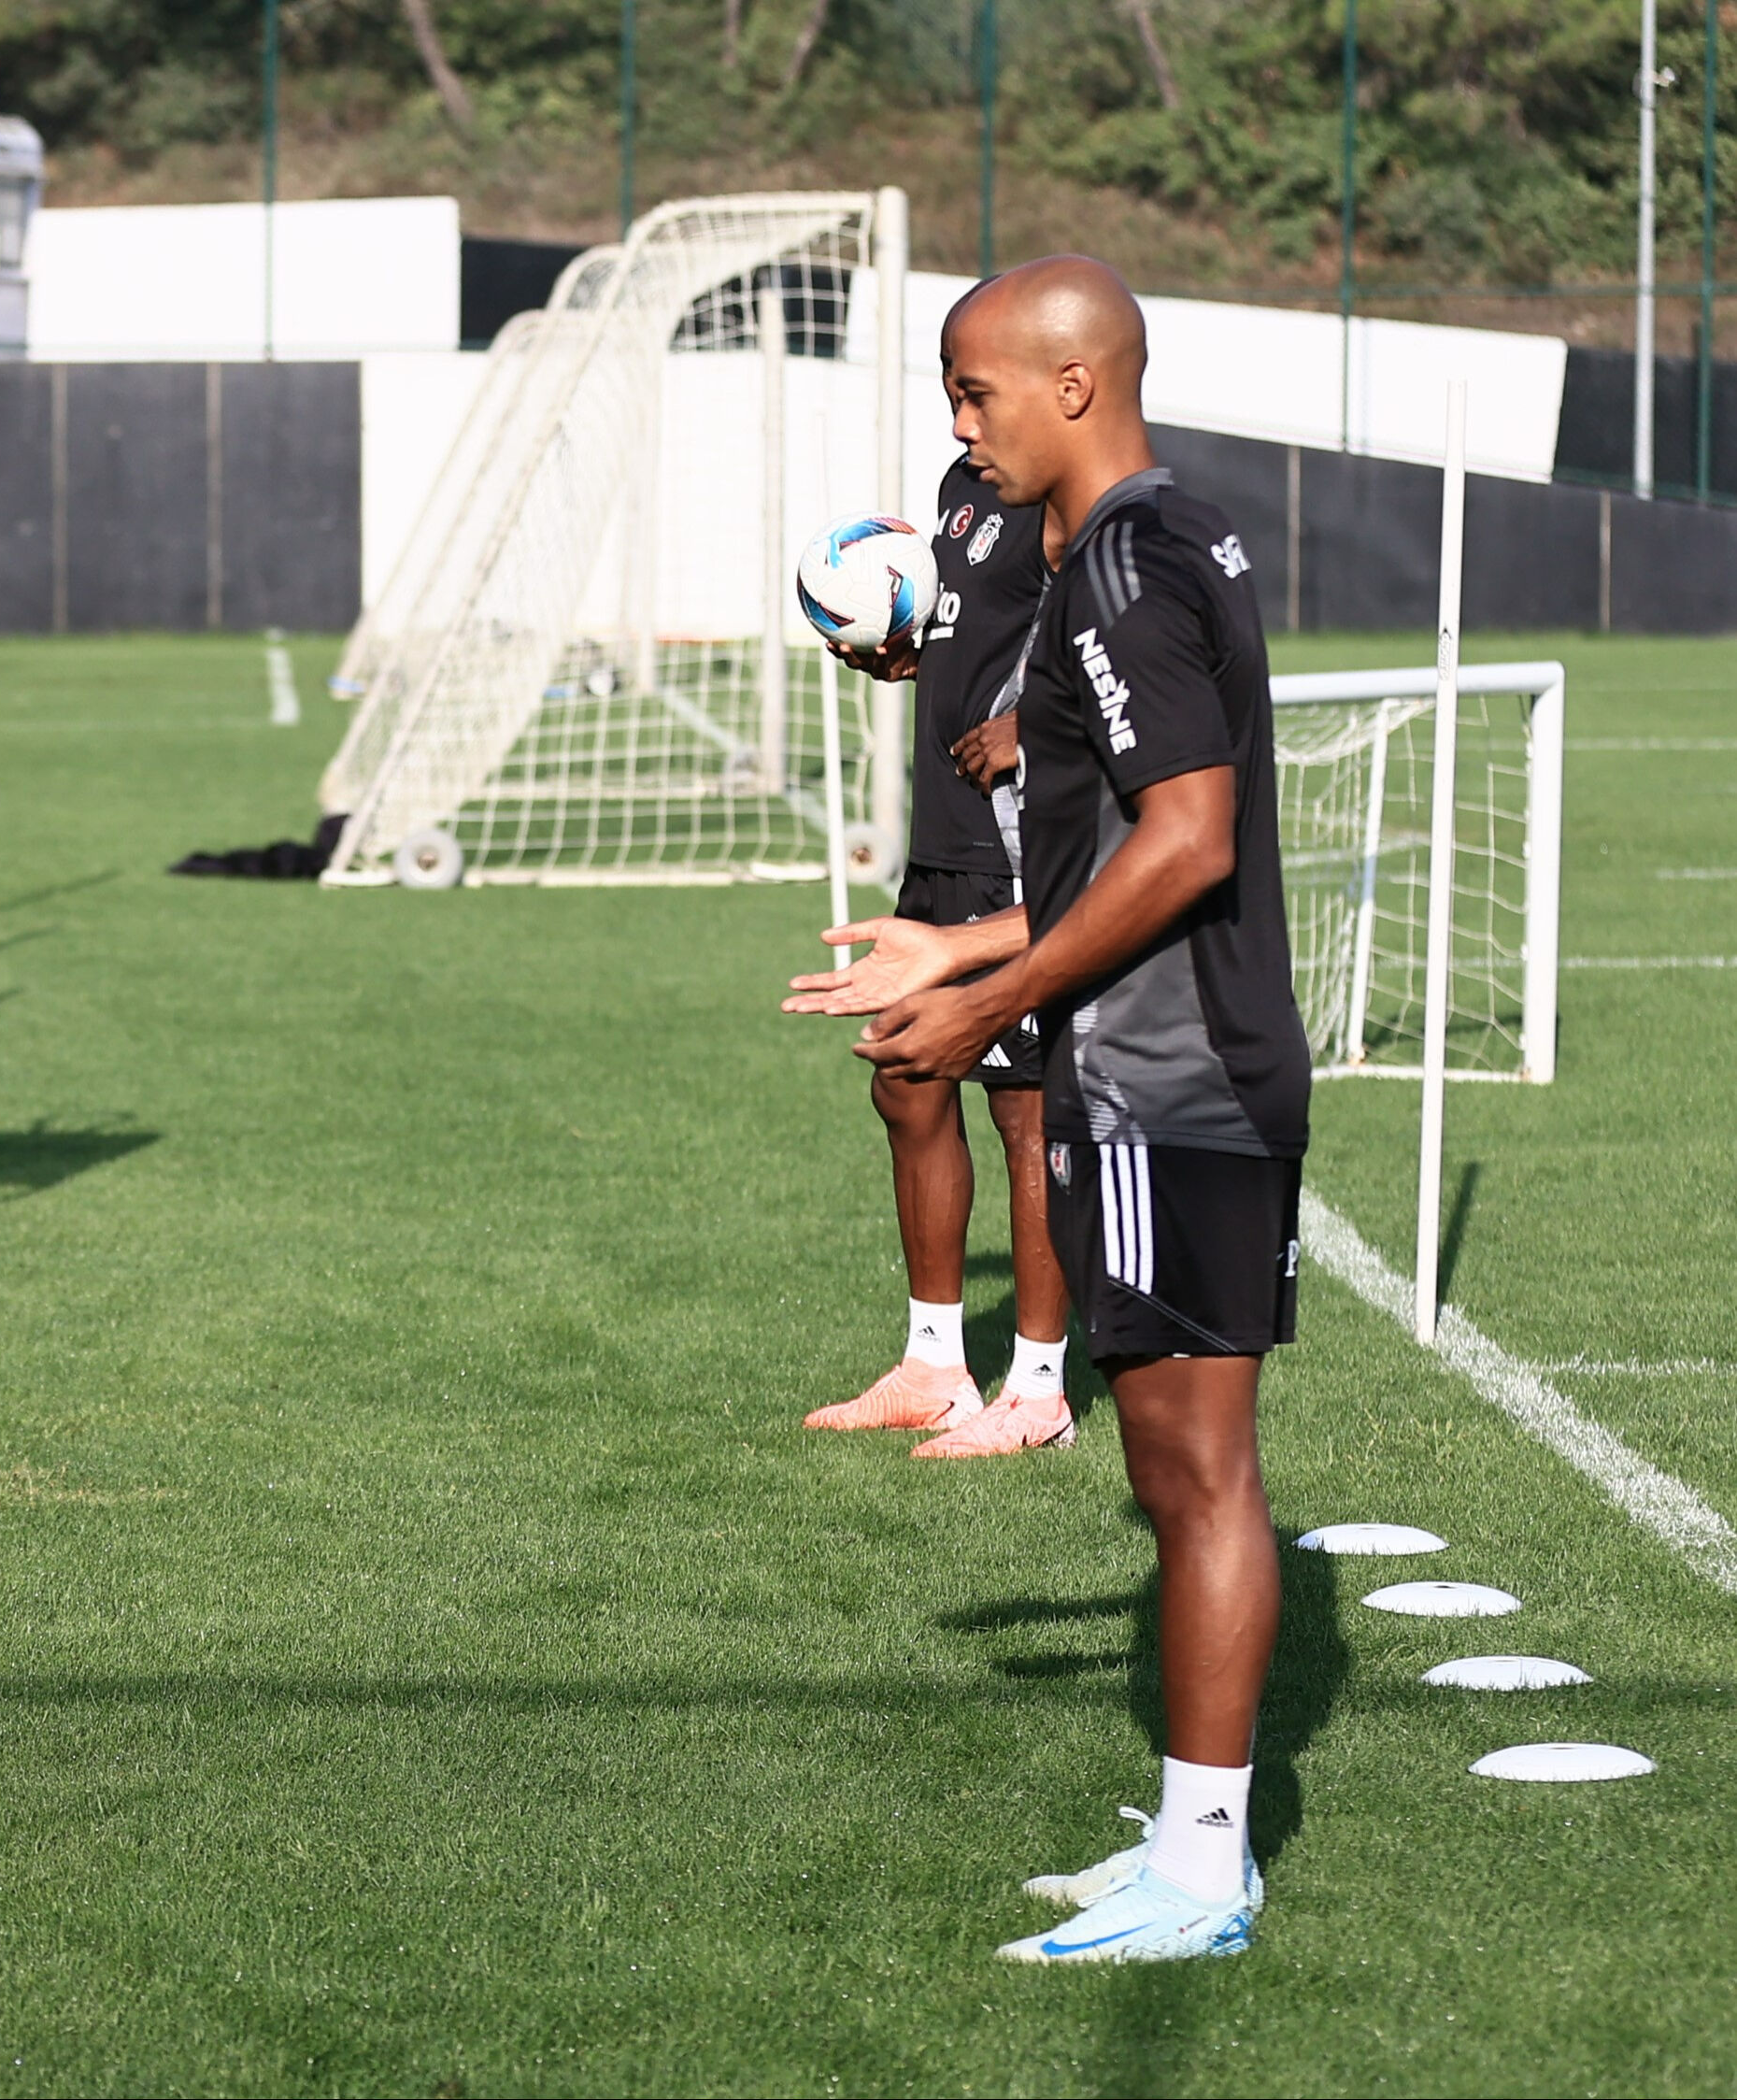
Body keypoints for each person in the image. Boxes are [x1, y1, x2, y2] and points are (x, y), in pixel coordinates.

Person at [784, 256, 1307, 1963]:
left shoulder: (1129, 561)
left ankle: (1202, 1870)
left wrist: (991, 994)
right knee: (1167, 1478)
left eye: (973, 390)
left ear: (1070, 384)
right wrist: (959, 936)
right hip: (1147, 1059)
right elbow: (1124, 844)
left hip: (1174, 1068)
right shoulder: (1150, 539)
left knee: (1196, 1474)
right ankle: (1183, 1832)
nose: (957, 425)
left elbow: (1186, 842)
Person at [804, 407, 1076, 1459]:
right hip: (943, 836)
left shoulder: (1069, 499)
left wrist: (1038, 724)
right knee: (905, 1079)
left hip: (1024, 846)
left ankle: (1040, 1389)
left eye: (976, 386)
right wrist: (915, 652)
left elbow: (1128, 654)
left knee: (1026, 1112)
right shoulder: (960, 490)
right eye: (951, 388)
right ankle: (934, 1366)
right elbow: (986, 628)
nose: (962, 413)